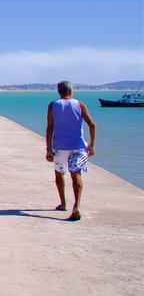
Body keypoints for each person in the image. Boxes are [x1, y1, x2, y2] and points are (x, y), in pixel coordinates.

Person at [45, 80, 96, 221]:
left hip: (60, 147)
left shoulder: (53, 105)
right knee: (76, 175)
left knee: (59, 174)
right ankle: (77, 206)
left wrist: (49, 149)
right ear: (71, 91)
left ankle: (63, 203)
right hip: (78, 147)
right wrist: (91, 145)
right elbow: (92, 125)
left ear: (59, 92)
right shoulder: (79, 104)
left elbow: (50, 128)